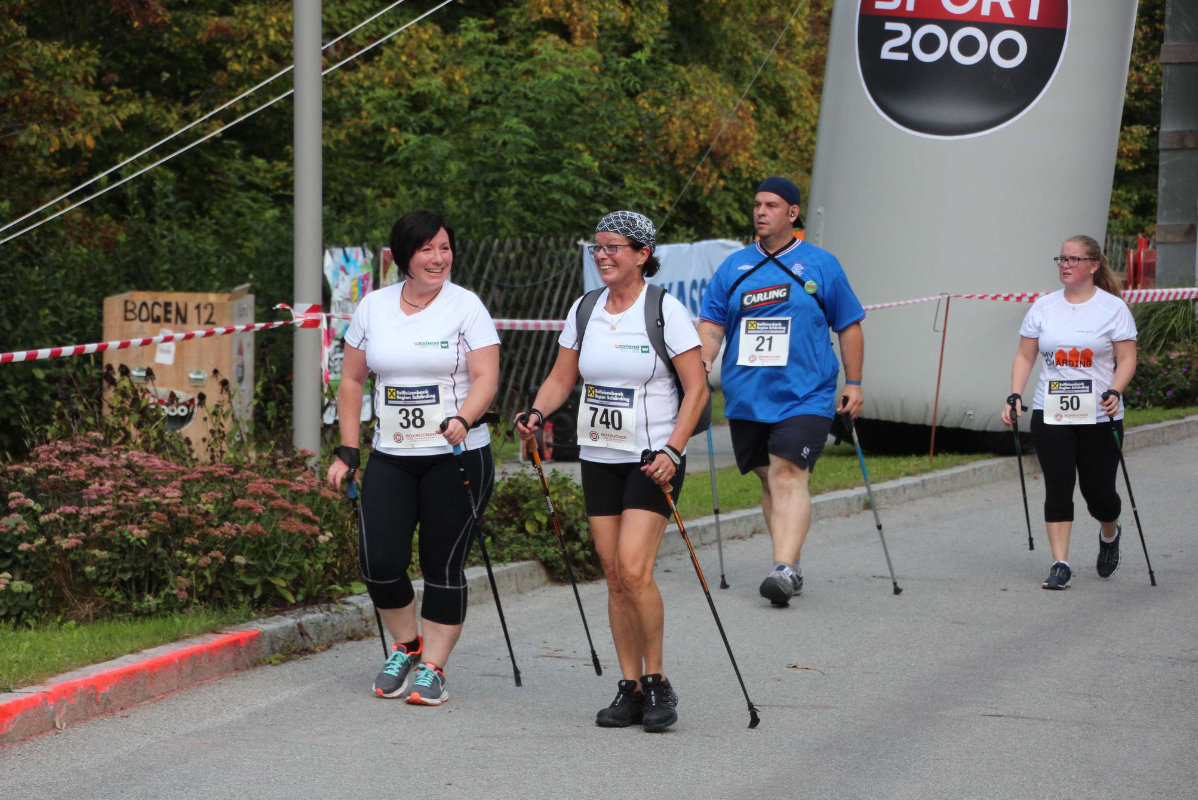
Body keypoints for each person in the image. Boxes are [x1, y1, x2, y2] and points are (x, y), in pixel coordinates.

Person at [515, 211, 708, 733]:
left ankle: (659, 681)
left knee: (635, 568)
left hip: (653, 459)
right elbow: (562, 376)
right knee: (614, 577)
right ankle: (630, 687)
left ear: (642, 254)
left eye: (614, 247)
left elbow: (697, 389)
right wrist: (537, 412)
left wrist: (674, 449)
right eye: (597, 247)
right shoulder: (586, 308)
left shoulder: (665, 310)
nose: (602, 255)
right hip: (599, 456)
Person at [326, 209, 500, 704]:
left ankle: (435, 668)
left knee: (443, 563)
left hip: (456, 454)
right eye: (427, 249)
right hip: (391, 455)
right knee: (379, 560)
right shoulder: (374, 307)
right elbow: (354, 380)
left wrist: (464, 417)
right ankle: (407, 645)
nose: (438, 259)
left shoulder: (466, 307)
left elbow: (486, 377)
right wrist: (348, 449)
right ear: (404, 254)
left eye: (445, 248)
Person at [698, 176, 866, 607]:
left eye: (771, 205)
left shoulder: (820, 264)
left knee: (788, 474)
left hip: (805, 394)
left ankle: (784, 569)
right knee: (770, 479)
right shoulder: (734, 267)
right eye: (757, 204)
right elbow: (713, 324)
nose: (760, 211)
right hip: (747, 395)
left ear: (792, 213)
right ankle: (787, 563)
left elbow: (848, 324)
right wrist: (700, 366)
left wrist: (854, 381)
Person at [1002, 235, 1137, 590]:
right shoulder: (1044, 306)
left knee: (1099, 495)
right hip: (1052, 411)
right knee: (1058, 486)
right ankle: (1060, 563)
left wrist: (1115, 390)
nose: (1065, 264)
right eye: (1061, 258)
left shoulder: (1113, 308)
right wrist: (1015, 394)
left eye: (1074, 259)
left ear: (1093, 265)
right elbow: (1025, 355)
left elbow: (1127, 359)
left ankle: (1110, 532)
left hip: (1100, 414)